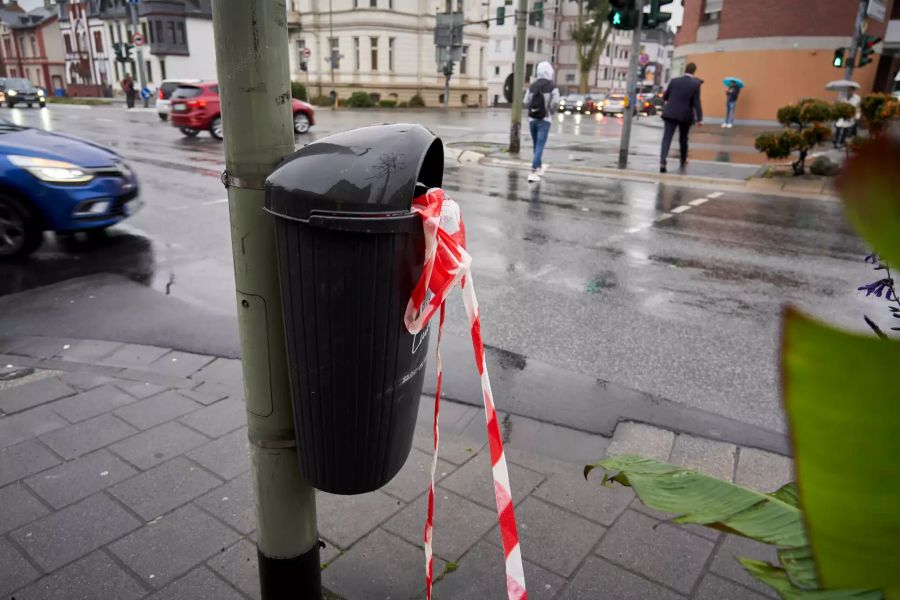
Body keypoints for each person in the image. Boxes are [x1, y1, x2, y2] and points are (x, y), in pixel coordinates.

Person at [659, 62, 703, 173]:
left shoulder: (674, 81)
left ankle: (663, 160)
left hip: (670, 113)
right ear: (694, 71)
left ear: (685, 70)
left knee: (667, 138)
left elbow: (665, 96)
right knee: (683, 138)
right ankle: (683, 160)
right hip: (685, 115)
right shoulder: (695, 84)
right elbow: (697, 102)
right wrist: (699, 118)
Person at [523, 61, 559, 183]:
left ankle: (538, 167)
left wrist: (533, 109)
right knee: (540, 145)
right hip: (545, 119)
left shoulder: (532, 86)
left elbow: (526, 102)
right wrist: (550, 111)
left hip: (532, 119)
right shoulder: (552, 87)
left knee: (536, 144)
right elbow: (555, 103)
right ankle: (533, 171)